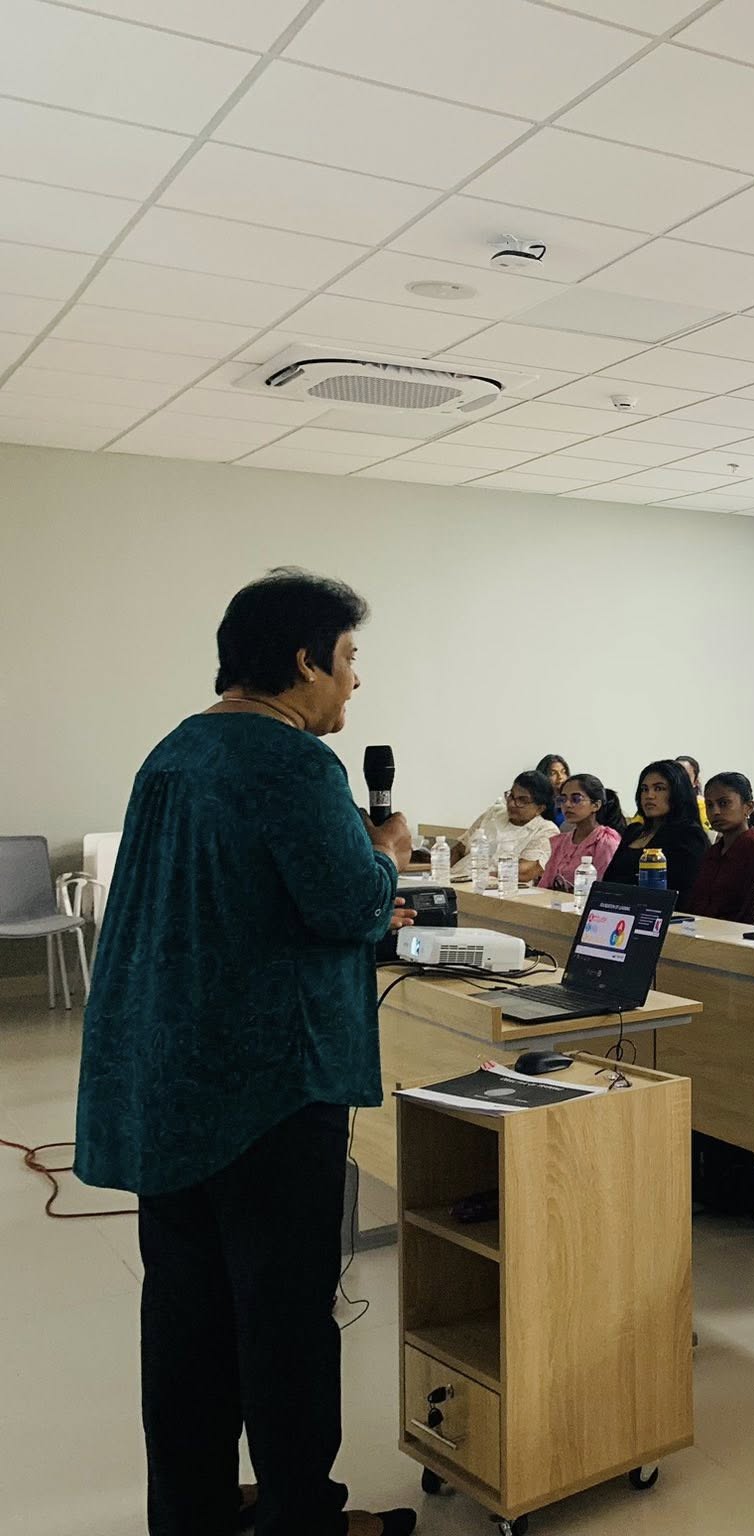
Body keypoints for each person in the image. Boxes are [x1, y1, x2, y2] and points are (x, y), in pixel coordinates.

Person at [75, 569, 418, 1536]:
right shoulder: (293, 761)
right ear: (305, 661)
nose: (355, 681)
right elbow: (348, 905)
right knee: (284, 1318)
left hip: (169, 1081)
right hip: (267, 1089)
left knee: (186, 1315)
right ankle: (303, 1518)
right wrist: (387, 852)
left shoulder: (176, 749)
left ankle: (191, 1511)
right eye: (347, 658)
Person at [685, 771, 754, 923]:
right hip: (702, 930)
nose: (715, 812)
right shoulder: (713, 852)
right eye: (709, 805)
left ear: (748, 807)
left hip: (736, 934)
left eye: (724, 803)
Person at [605, 760, 710, 893]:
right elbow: (607, 880)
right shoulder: (633, 831)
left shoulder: (690, 836)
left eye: (659, 789)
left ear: (678, 792)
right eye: (644, 789)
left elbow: (683, 891)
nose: (649, 796)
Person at [446, 770, 557, 883]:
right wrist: (440, 872)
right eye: (511, 796)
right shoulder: (494, 813)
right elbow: (459, 849)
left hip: (495, 888)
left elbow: (524, 872)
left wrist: (478, 877)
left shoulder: (546, 830)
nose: (512, 804)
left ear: (540, 809)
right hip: (455, 879)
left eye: (522, 800)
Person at [538, 772, 623, 891]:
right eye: (563, 799)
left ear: (596, 805)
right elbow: (544, 885)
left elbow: (603, 889)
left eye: (576, 799)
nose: (567, 805)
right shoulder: (560, 842)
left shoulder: (605, 842)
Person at [675, 753, 712, 828]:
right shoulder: (658, 803)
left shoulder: (703, 806)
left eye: (686, 776)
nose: (679, 780)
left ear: (695, 782)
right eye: (676, 774)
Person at [536, 753, 570, 824]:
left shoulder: (573, 801)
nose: (560, 777)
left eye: (563, 772)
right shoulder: (537, 804)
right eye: (553, 773)